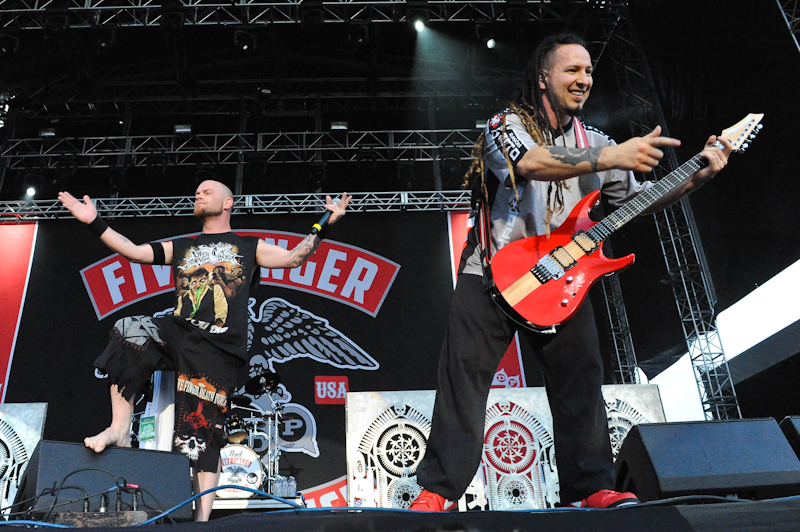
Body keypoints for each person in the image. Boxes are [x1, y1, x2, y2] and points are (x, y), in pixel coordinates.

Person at [408, 33, 731, 511]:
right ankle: (438, 492)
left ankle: (590, 488)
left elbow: (637, 203)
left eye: (588, 72)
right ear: (543, 77)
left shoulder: (598, 143)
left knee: (580, 383)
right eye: (572, 71)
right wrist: (613, 156)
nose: (584, 80)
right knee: (463, 379)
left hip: (564, 281)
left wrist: (696, 176)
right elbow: (532, 163)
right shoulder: (507, 124)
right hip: (495, 274)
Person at [58, 181, 351, 521]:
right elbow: (134, 251)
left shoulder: (247, 246)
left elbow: (292, 258)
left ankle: (201, 522)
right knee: (129, 330)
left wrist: (324, 223)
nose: (198, 194)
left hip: (218, 349)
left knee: (197, 437)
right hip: (179, 331)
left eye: (207, 191)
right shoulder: (184, 245)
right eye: (197, 191)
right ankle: (119, 429)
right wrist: (93, 220)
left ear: (228, 202)